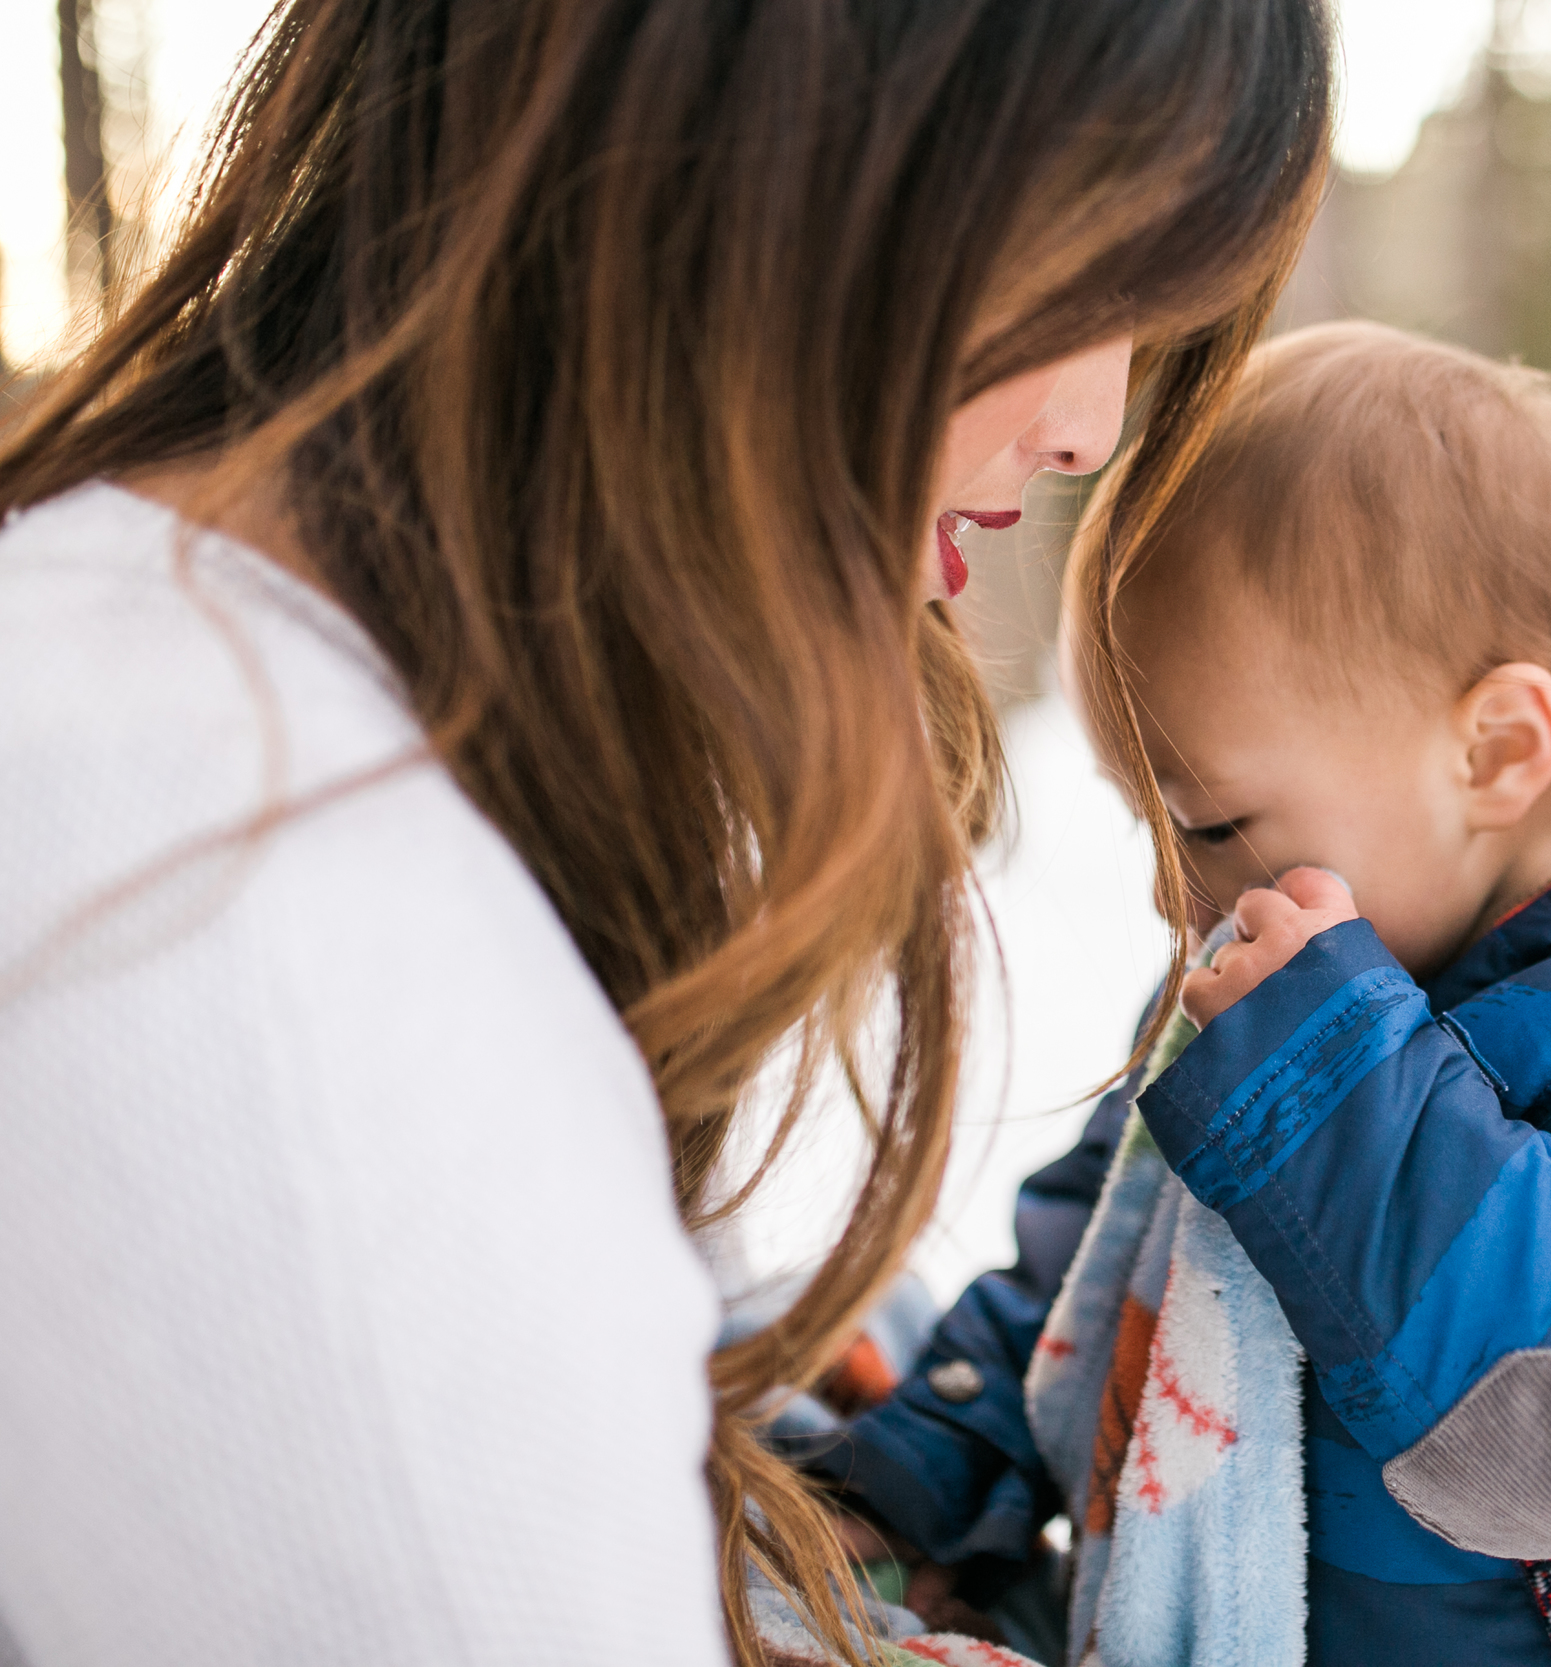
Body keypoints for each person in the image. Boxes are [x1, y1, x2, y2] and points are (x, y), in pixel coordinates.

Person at [0, 3, 1329, 1664]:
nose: (1089, 427)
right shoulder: (239, 914)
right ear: (770, 147)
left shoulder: (250, 742)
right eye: (1084, 260)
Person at [819, 323, 1551, 1665]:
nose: (1176, 899)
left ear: (1498, 750)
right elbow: (1096, 1287)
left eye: (1210, 827)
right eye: (1149, 832)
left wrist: (1338, 1095)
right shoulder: (1297, 1015)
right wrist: (917, 1475)